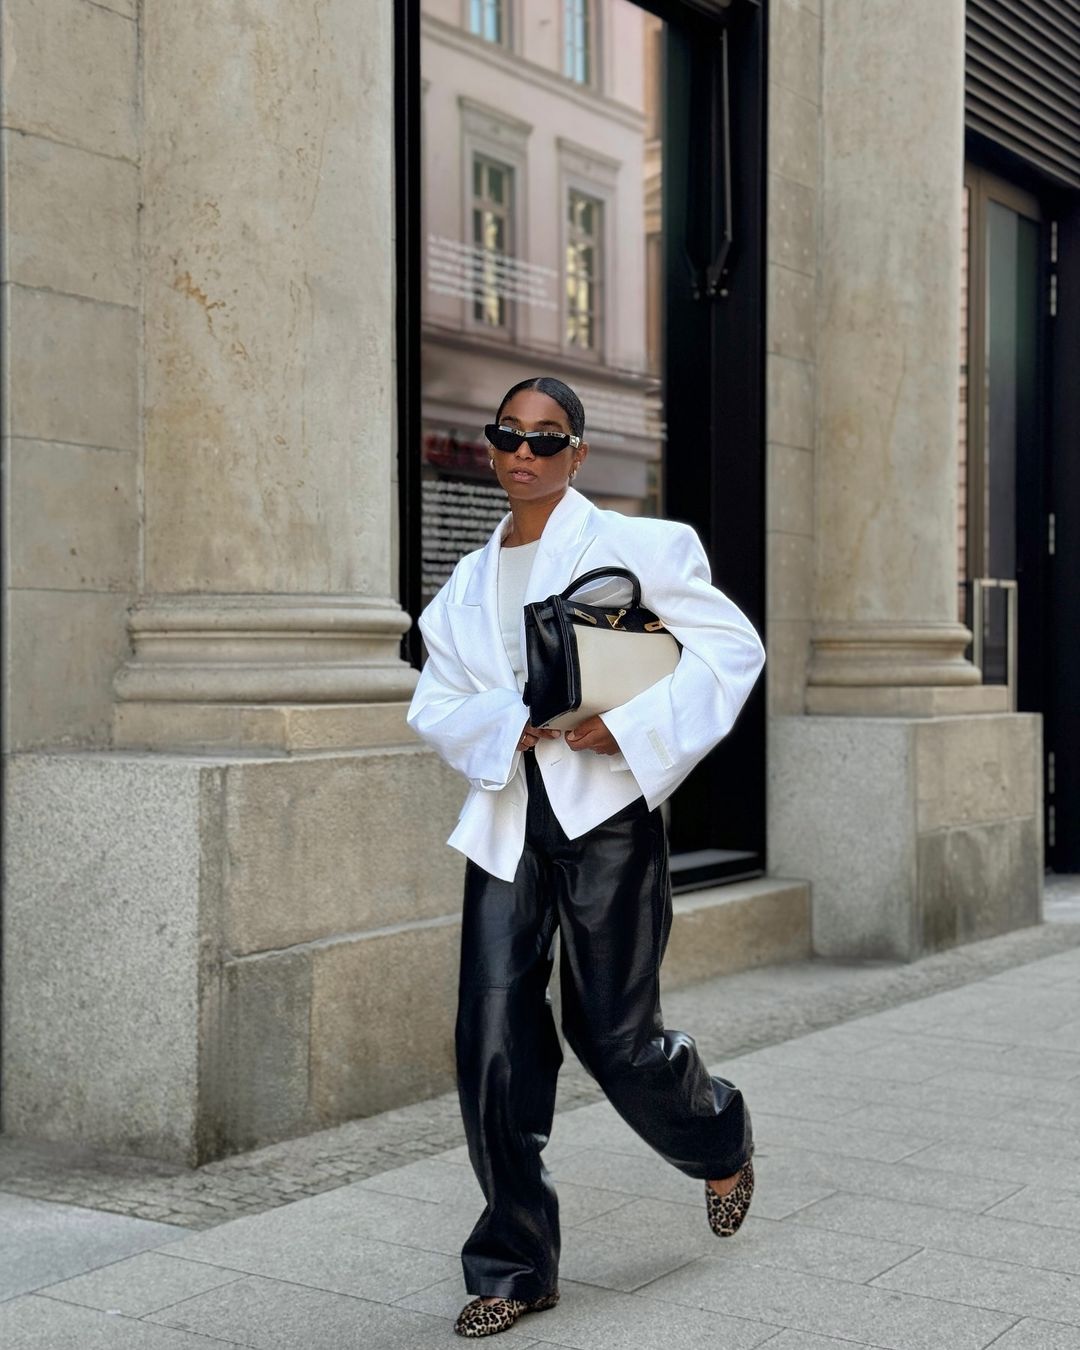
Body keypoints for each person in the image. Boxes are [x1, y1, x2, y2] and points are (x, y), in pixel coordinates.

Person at [406, 376, 766, 1340]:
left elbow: (732, 651)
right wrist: (505, 725)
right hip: (504, 821)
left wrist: (634, 727)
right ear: (490, 449)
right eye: (507, 435)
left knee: (612, 1037)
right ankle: (516, 1266)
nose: (523, 452)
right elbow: (434, 703)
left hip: (606, 817)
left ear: (578, 453)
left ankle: (716, 1130)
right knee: (489, 1045)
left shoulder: (640, 546)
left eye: (545, 437)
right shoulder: (465, 585)